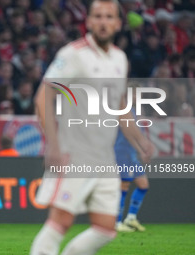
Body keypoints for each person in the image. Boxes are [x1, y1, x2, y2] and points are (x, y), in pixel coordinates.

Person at [30, 1, 154, 255]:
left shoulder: (119, 59)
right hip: (73, 154)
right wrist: (52, 144)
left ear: (119, 23)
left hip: (104, 159)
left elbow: (119, 106)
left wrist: (140, 140)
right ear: (88, 21)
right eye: (97, 16)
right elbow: (43, 96)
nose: (103, 21)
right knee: (61, 222)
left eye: (109, 17)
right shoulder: (73, 54)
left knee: (106, 228)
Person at [115, 84, 149, 233]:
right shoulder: (123, 110)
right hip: (122, 153)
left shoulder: (132, 111)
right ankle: (116, 222)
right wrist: (141, 149)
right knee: (123, 187)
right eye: (135, 93)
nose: (137, 96)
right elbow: (128, 133)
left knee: (143, 185)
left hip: (131, 154)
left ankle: (131, 217)